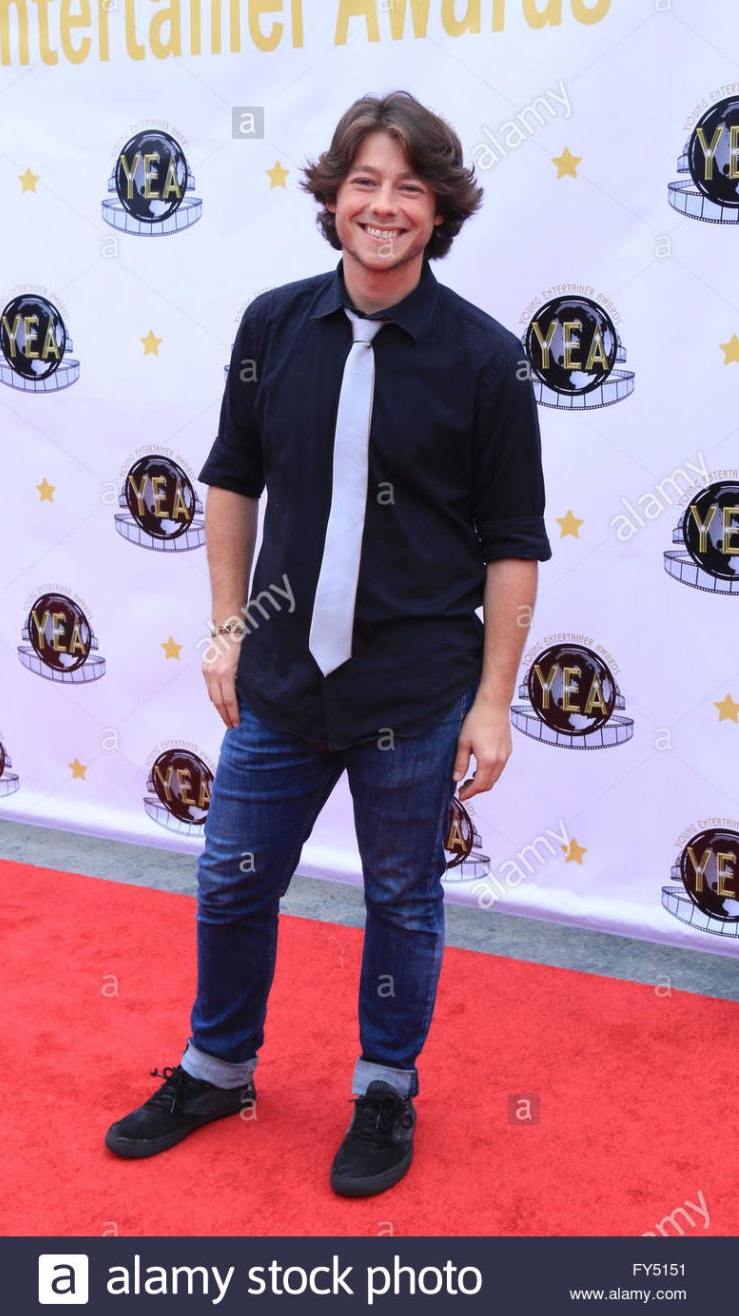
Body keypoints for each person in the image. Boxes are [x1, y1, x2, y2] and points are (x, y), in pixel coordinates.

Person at [105, 89, 552, 1197]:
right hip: (282, 682)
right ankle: (216, 1069)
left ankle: (386, 1086)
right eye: (365, 182)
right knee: (230, 883)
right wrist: (226, 628)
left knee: (401, 899)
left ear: (440, 210)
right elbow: (231, 481)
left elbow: (512, 545)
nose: (384, 206)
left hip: (416, 689)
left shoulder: (488, 361)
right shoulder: (272, 327)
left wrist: (494, 702)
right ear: (334, 198)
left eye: (409, 188)